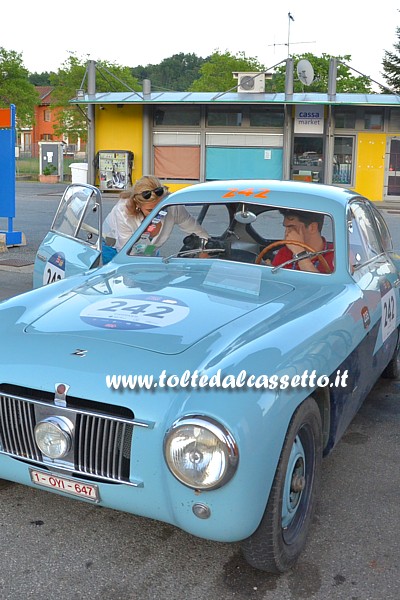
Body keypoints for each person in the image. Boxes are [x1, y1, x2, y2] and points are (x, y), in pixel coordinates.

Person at [102, 175, 209, 261]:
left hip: (148, 248)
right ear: (137, 205)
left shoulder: (172, 205)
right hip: (114, 245)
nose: (156, 214)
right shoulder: (122, 212)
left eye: (159, 208)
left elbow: (197, 230)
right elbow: (127, 253)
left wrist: (206, 249)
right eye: (150, 210)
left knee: (154, 275)